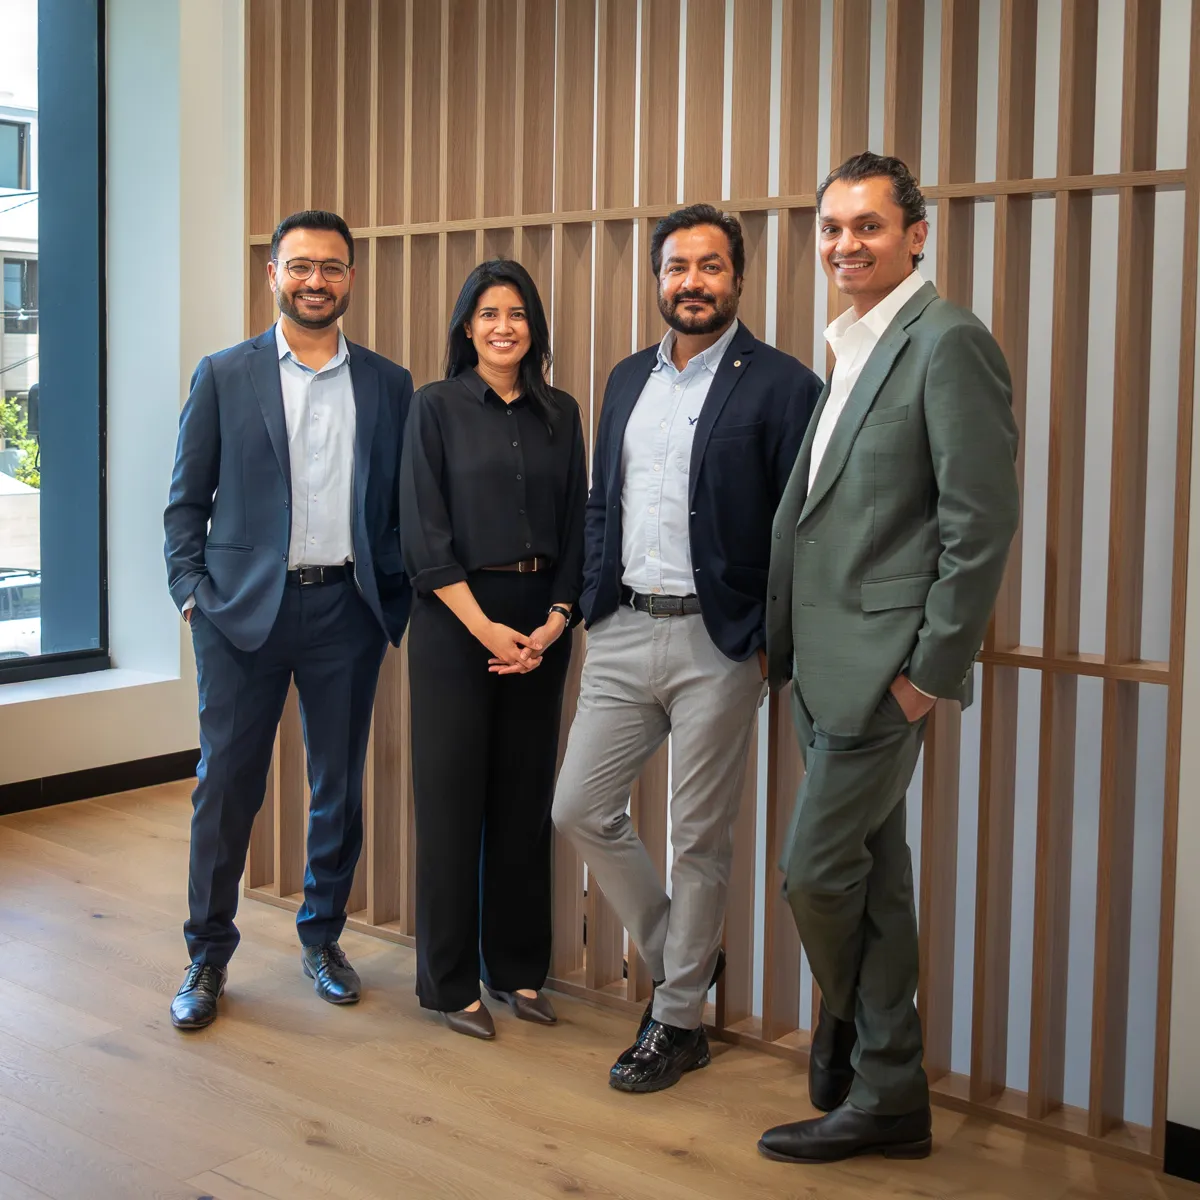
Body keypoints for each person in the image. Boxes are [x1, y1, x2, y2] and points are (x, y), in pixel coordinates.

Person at [758, 152, 1020, 1164]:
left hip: (882, 677)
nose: (844, 245)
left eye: (867, 226)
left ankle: (851, 1028)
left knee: (813, 875)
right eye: (831, 228)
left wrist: (928, 674)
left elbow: (980, 524)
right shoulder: (854, 344)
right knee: (875, 880)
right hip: (819, 667)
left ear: (918, 233)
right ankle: (892, 1091)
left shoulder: (946, 342)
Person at [552, 204, 822, 1091]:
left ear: (737, 278)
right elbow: (603, 504)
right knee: (579, 808)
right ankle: (687, 960)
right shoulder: (626, 379)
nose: (692, 282)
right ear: (658, 279)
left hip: (721, 641)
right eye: (676, 267)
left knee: (699, 839)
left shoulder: (783, 387)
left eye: (710, 266)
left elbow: (802, 530)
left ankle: (675, 1025)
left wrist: (771, 644)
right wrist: (596, 604)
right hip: (625, 628)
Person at [164, 210, 413, 1030]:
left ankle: (322, 935)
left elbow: (399, 508)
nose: (316, 281)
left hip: (346, 609)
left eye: (332, 267)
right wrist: (193, 596)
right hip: (238, 616)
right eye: (300, 266)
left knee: (338, 787)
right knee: (226, 785)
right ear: (272, 274)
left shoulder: (387, 383)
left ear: (350, 278)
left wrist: (391, 601)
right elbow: (184, 504)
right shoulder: (224, 373)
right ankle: (207, 952)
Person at [400, 259, 587, 1040]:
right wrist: (484, 628)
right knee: (451, 806)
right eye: (487, 314)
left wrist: (554, 622)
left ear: (534, 328)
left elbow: (582, 523)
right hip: (455, 619)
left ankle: (515, 969)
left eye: (517, 313)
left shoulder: (562, 412)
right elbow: (422, 530)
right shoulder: (433, 408)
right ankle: (448, 984)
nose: (503, 326)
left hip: (539, 622)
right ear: (466, 327)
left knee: (523, 805)